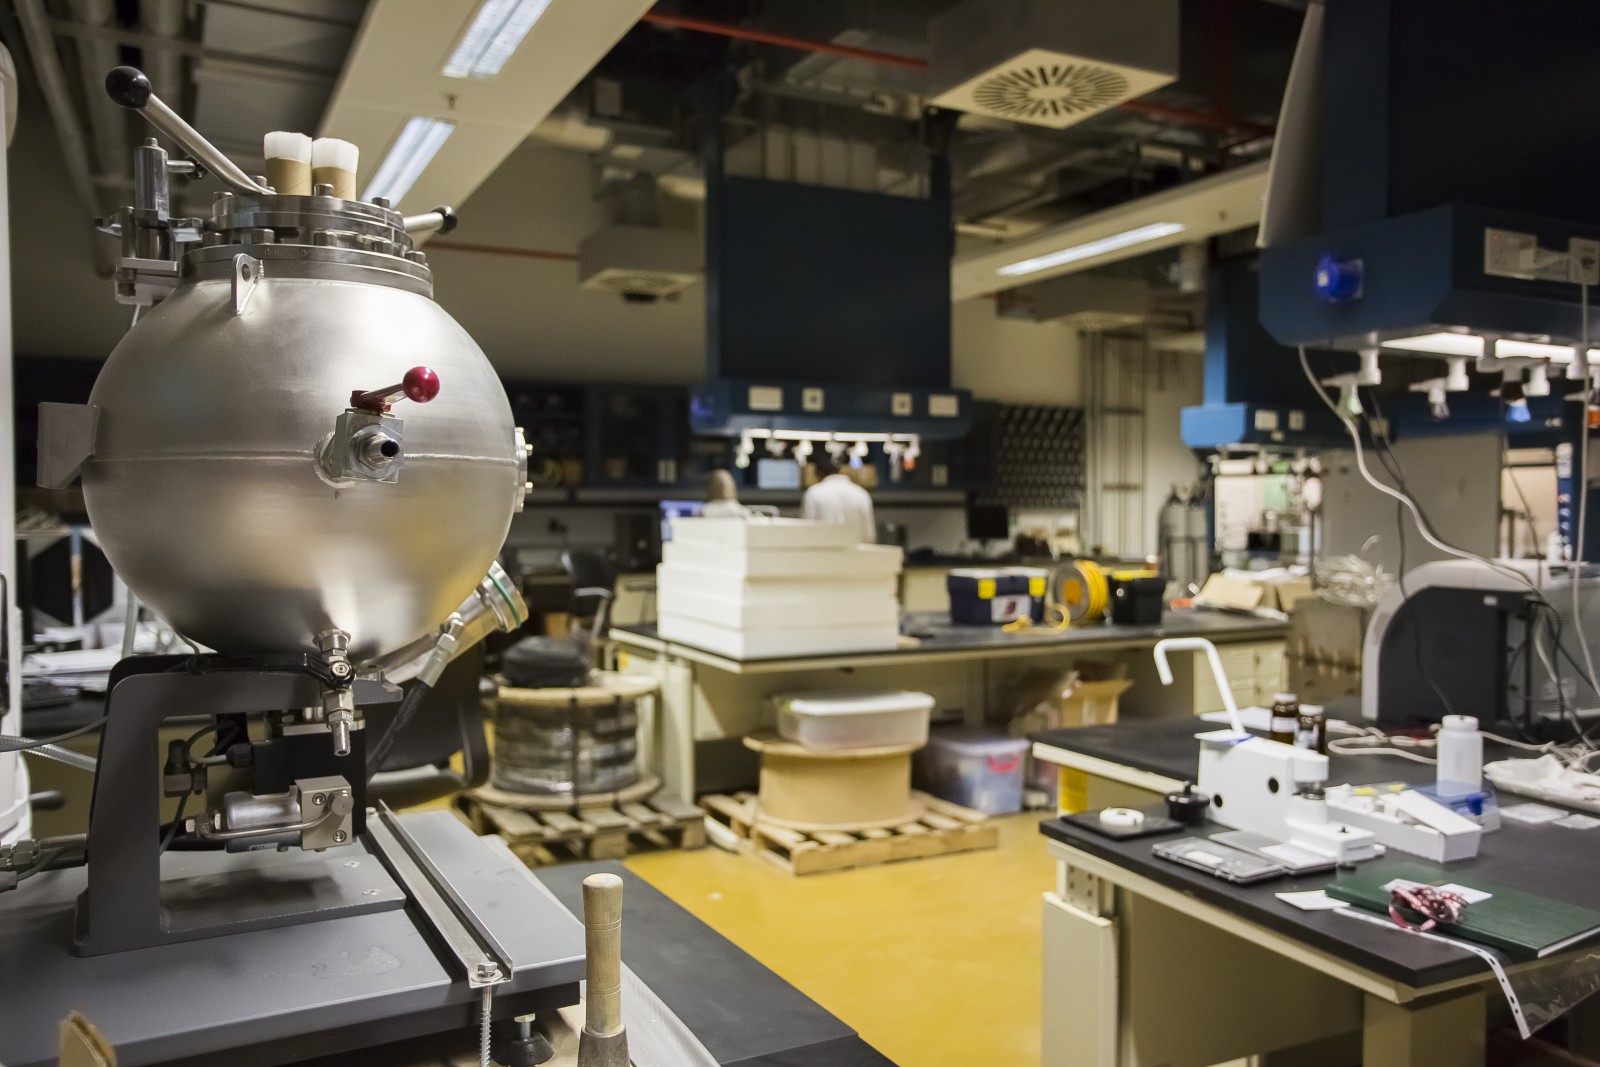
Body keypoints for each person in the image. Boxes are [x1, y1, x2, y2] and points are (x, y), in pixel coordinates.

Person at [802, 452, 876, 543]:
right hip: (856, 553)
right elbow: (869, 534)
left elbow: (807, 531)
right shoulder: (861, 494)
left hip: (824, 553)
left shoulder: (814, 493)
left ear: (819, 474)